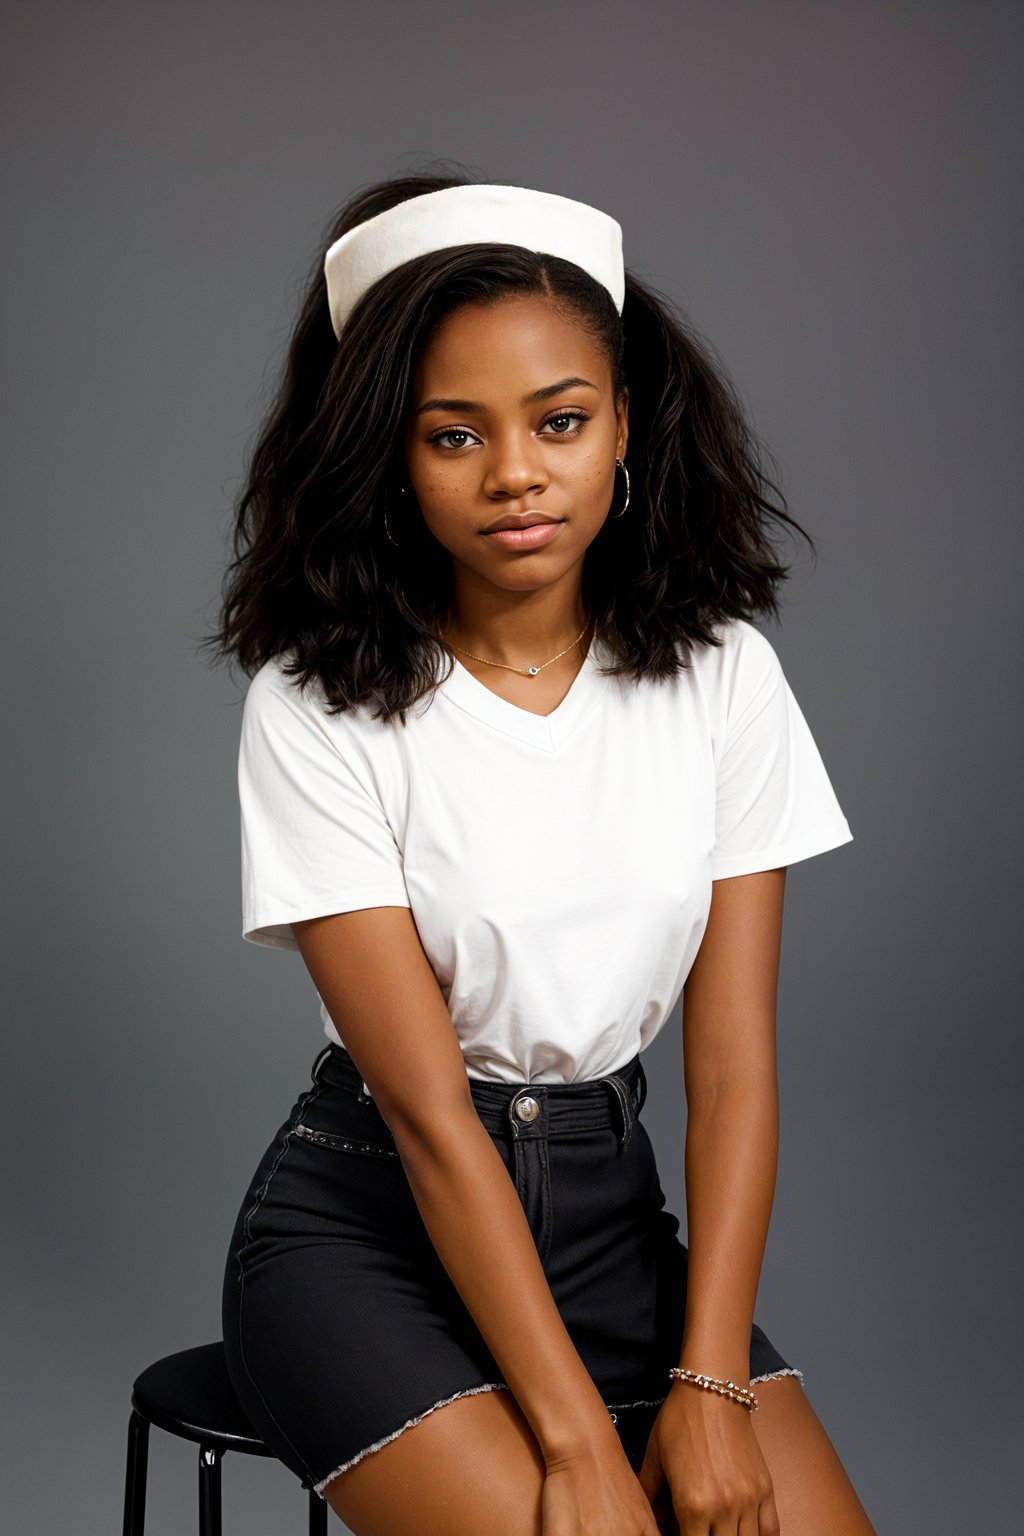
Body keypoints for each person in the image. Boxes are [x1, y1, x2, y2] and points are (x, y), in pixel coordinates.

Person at [206, 173, 876, 1535]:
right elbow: (430, 1116)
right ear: (389, 459)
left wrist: (709, 1379)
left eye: (560, 422)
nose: (515, 473)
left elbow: (735, 1069)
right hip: (369, 1239)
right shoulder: (315, 703)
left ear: (625, 422)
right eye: (453, 436)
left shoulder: (721, 677)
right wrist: (575, 1440)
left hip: (615, 1234)